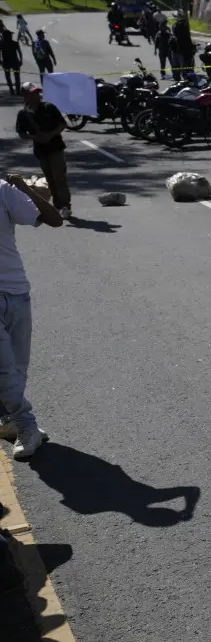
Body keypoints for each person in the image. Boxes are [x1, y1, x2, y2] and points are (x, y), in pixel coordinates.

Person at [0, 173, 63, 461]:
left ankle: (9, 419)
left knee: (17, 366)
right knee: (3, 368)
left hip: (15, 291)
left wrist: (24, 188)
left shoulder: (2, 191)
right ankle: (27, 426)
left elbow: (53, 219)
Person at [15, 83, 70, 219]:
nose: (36, 95)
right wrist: (33, 137)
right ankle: (58, 206)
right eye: (32, 93)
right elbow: (21, 132)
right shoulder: (23, 114)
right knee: (50, 179)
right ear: (25, 95)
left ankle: (65, 206)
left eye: (37, 92)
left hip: (56, 147)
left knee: (59, 177)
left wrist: (50, 135)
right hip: (40, 150)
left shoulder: (49, 108)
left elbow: (62, 124)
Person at [173, 13, 194, 79]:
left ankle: (186, 76)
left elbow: (175, 33)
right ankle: (187, 76)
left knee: (184, 64)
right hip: (186, 48)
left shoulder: (177, 26)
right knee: (187, 64)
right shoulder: (185, 25)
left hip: (182, 49)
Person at [1, 32, 21, 97]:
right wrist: (21, 60)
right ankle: (17, 91)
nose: (11, 36)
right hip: (14, 62)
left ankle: (12, 90)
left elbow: (19, 52)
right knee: (16, 77)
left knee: (8, 77)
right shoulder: (14, 43)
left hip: (7, 63)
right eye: (10, 35)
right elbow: (20, 52)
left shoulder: (2, 43)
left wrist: (1, 62)